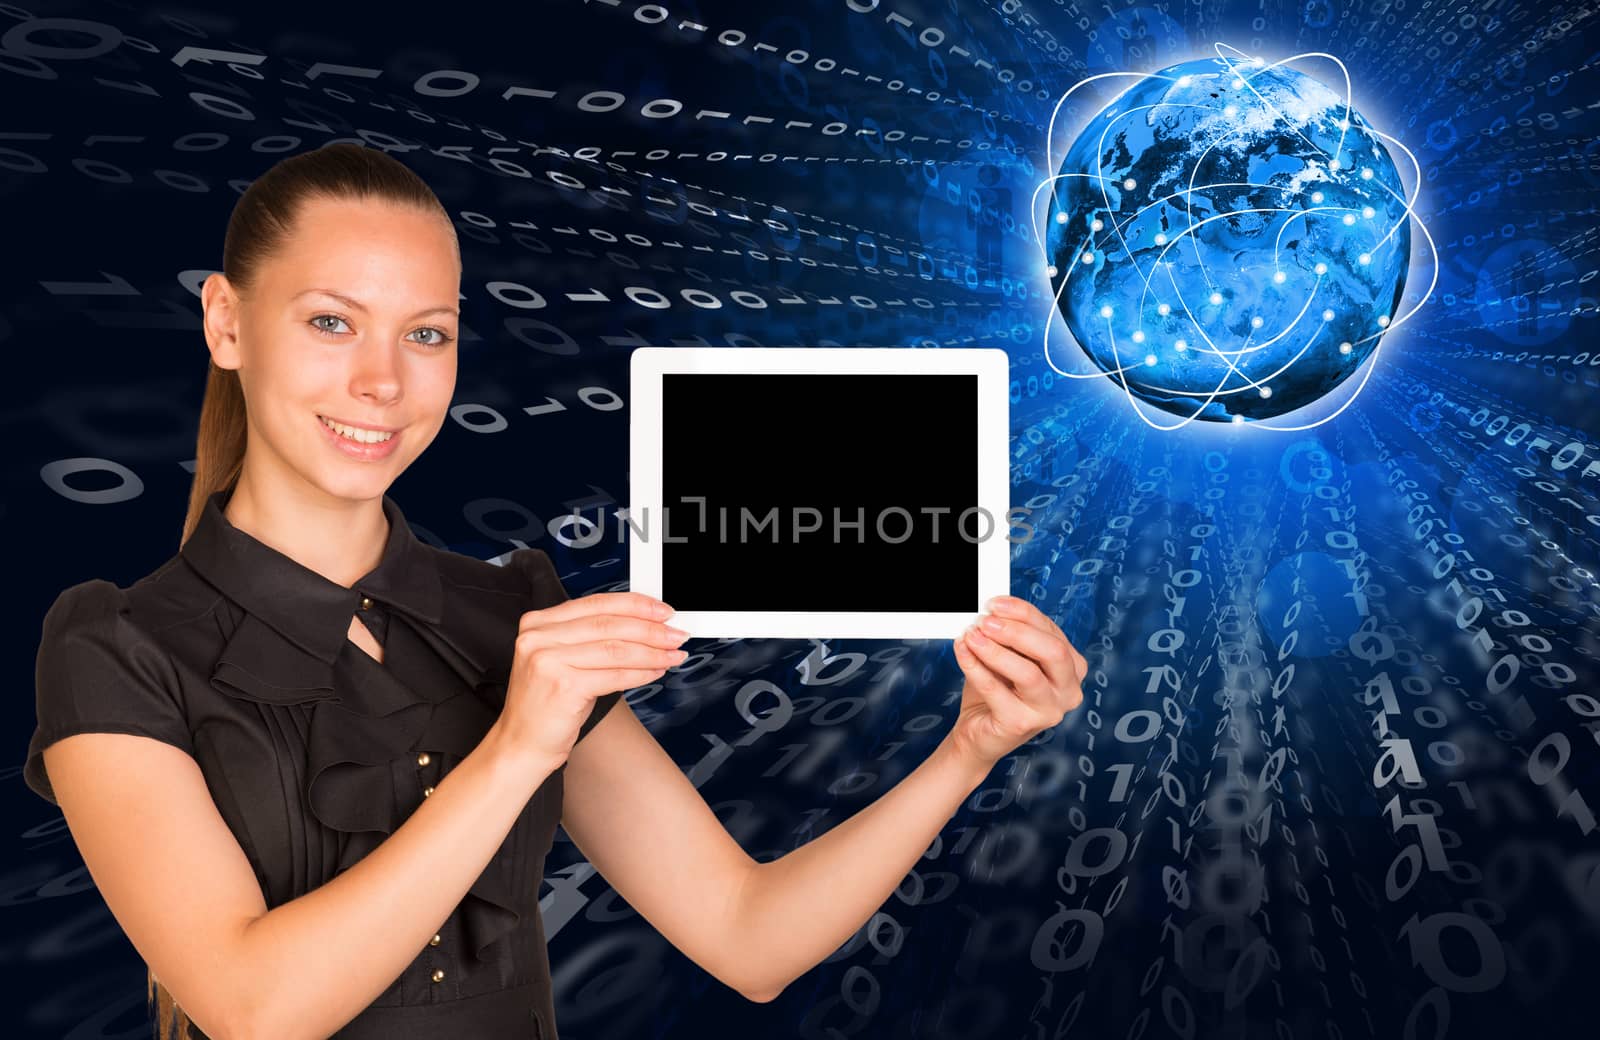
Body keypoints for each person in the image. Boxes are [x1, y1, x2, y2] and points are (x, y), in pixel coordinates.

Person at [23, 142, 1088, 1040]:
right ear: (225, 322)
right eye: (331, 322)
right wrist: (518, 746)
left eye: (426, 333)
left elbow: (749, 934)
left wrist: (967, 750)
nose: (382, 383)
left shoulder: (509, 620)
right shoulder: (115, 646)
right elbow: (252, 1005)